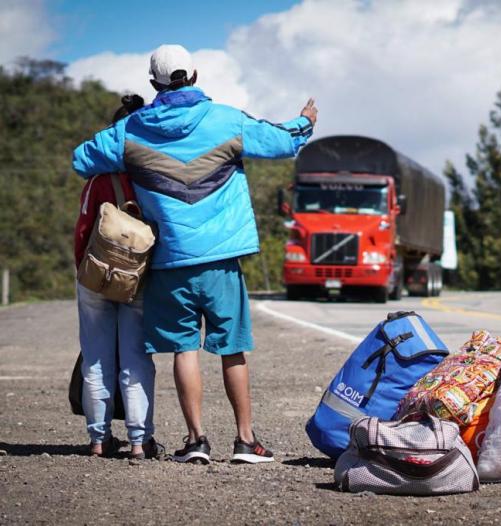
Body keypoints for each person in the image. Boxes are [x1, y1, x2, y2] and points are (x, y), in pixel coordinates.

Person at [72, 44, 318, 464]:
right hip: (222, 260)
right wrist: (305, 122)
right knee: (232, 349)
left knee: (184, 350)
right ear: (196, 75)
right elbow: (281, 140)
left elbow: (82, 159)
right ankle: (245, 441)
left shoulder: (132, 130)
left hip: (169, 261)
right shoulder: (226, 120)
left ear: (154, 84)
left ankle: (196, 441)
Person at [74, 94, 164, 460]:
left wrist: (85, 270)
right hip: (138, 279)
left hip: (95, 276)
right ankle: (140, 441)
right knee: (136, 360)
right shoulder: (154, 176)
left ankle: (98, 439)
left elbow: (82, 229)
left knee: (96, 357)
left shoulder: (98, 179)